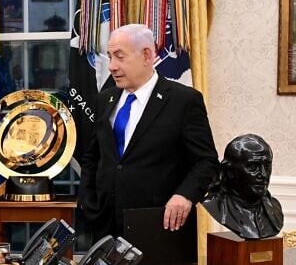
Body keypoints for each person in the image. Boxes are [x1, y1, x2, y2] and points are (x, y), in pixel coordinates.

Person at [77, 24, 219, 246]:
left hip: (158, 226)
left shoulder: (183, 101)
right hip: (104, 224)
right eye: (110, 57)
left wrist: (185, 196)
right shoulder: (105, 99)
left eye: (120, 57)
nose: (112, 66)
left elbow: (206, 162)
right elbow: (93, 156)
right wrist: (88, 199)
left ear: (146, 55)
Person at [203, 134, 283, 239]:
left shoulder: (275, 209)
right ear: (230, 171)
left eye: (267, 166)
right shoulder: (214, 206)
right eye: (253, 167)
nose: (263, 174)